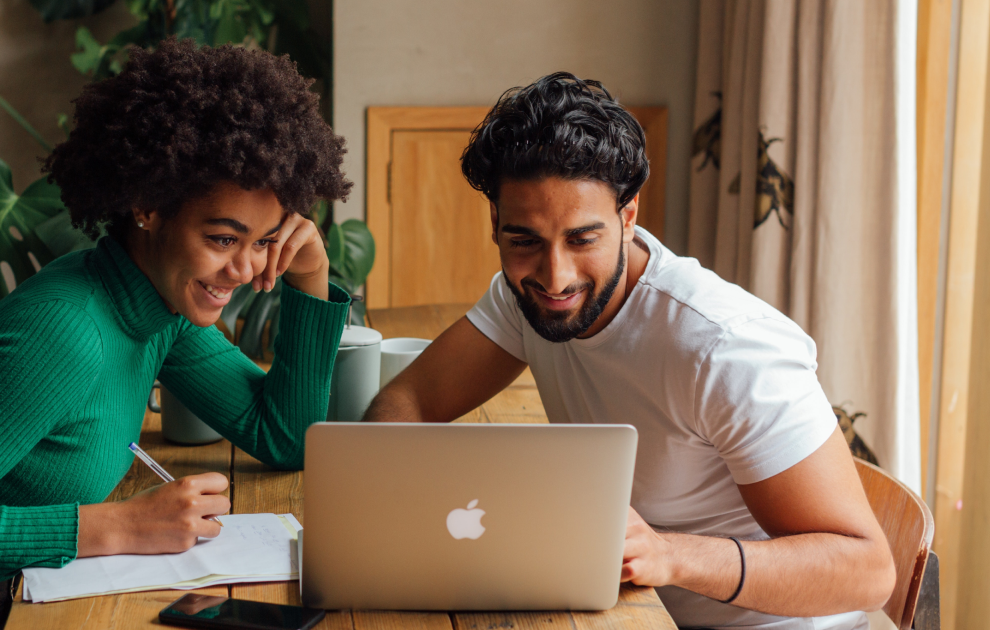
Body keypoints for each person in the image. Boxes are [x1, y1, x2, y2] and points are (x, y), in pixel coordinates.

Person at [0, 40, 352, 630]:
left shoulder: (157, 310)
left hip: (19, 599)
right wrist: (116, 526)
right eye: (224, 240)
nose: (248, 271)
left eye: (263, 241)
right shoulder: (60, 336)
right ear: (148, 207)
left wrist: (310, 278)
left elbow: (283, 438)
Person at [364, 73, 896, 629]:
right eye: (525, 240)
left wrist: (669, 554)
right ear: (495, 223)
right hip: (630, 612)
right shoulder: (524, 296)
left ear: (628, 215)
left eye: (582, 238)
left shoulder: (725, 347)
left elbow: (867, 570)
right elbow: (412, 400)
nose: (554, 276)